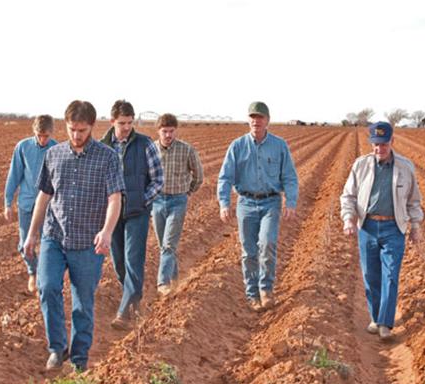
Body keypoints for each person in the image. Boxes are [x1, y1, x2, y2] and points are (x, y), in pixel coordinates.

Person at [23, 100, 125, 371]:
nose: (76, 135)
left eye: (81, 130)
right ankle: (57, 348)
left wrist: (106, 232)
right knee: (47, 287)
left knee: (83, 302)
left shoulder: (107, 157)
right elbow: (44, 196)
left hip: (88, 243)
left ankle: (79, 359)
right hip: (54, 236)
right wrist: (32, 234)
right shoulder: (54, 155)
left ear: (92, 126)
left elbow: (115, 198)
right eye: (71, 129)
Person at [340, 121, 424, 341]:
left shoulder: (405, 167)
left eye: (384, 144)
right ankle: (376, 317)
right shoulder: (361, 165)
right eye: (376, 145)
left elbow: (414, 200)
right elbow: (348, 195)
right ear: (371, 145)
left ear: (392, 142)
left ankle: (385, 323)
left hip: (393, 227)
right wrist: (349, 219)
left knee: (390, 274)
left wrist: (415, 226)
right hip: (367, 227)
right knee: (371, 275)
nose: (380, 149)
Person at [217, 101, 299, 312]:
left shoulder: (279, 146)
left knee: (268, 243)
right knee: (249, 251)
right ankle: (252, 293)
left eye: (260, 117)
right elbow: (225, 177)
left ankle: (266, 289)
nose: (256, 121)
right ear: (248, 120)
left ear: (267, 121)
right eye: (253, 117)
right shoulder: (237, 146)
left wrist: (290, 202)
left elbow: (289, 176)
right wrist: (224, 203)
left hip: (271, 202)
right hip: (245, 203)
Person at [101, 100, 164, 330]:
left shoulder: (145, 144)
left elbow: (158, 179)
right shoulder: (102, 146)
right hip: (113, 213)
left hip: (137, 212)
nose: (127, 127)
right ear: (112, 121)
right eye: (122, 123)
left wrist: (142, 200)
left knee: (133, 259)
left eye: (129, 122)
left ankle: (123, 312)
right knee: (119, 262)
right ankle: (134, 300)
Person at [3, 115, 58, 293]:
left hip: (49, 206)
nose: (43, 139)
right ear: (34, 132)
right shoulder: (23, 147)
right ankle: (32, 271)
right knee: (25, 243)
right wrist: (7, 202)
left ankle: (43, 277)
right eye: (39, 135)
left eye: (46, 136)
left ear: (51, 133)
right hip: (27, 203)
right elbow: (14, 175)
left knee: (47, 243)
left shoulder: (57, 149)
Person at [151, 113, 204, 296]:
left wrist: (187, 192)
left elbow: (199, 175)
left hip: (177, 201)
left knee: (168, 244)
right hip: (157, 202)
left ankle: (163, 283)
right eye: (164, 131)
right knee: (163, 245)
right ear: (158, 131)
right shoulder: (151, 150)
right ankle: (174, 280)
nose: (168, 135)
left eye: (171, 131)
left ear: (176, 131)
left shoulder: (186, 150)